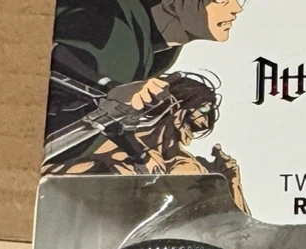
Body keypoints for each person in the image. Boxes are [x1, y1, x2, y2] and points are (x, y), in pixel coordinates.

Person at [46, 0, 253, 139]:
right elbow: (55, 54)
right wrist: (108, 87)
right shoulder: (114, 25)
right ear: (171, 1)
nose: (237, 8)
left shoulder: (164, 53)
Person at [42, 70, 246, 209]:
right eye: (203, 110)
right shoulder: (107, 143)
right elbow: (48, 178)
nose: (205, 122)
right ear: (176, 106)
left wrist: (232, 181)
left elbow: (237, 233)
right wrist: (105, 170)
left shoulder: (191, 167)